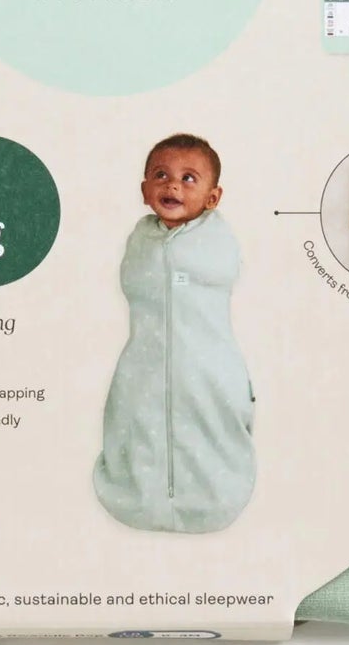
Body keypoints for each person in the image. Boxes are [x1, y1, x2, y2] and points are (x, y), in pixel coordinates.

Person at [92, 134, 256, 534]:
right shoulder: (141, 239)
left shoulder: (216, 238)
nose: (173, 185)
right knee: (137, 420)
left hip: (207, 364)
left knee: (209, 426)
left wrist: (177, 262)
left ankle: (208, 497)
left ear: (213, 198)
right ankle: (142, 496)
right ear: (144, 190)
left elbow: (220, 271)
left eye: (188, 178)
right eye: (161, 175)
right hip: (145, 361)